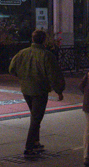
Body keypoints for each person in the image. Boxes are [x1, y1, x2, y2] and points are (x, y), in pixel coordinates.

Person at [8, 29, 65, 158]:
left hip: (26, 89)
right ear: (44, 40)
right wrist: (59, 90)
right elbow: (54, 75)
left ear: (32, 39)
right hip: (40, 90)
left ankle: (36, 142)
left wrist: (22, 77)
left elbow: (12, 69)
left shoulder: (22, 53)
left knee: (35, 115)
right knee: (36, 118)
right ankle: (29, 147)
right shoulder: (46, 55)